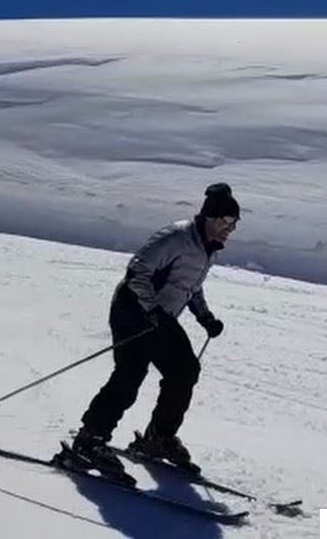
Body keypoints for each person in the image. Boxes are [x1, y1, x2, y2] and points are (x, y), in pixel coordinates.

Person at [72, 183, 240, 472]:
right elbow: (137, 271)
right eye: (227, 222)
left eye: (234, 224)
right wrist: (149, 310)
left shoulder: (208, 248)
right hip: (132, 310)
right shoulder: (176, 237)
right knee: (130, 374)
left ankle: (159, 437)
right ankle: (90, 439)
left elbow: (189, 287)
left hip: (160, 317)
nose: (230, 229)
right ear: (211, 218)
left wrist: (205, 317)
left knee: (185, 370)